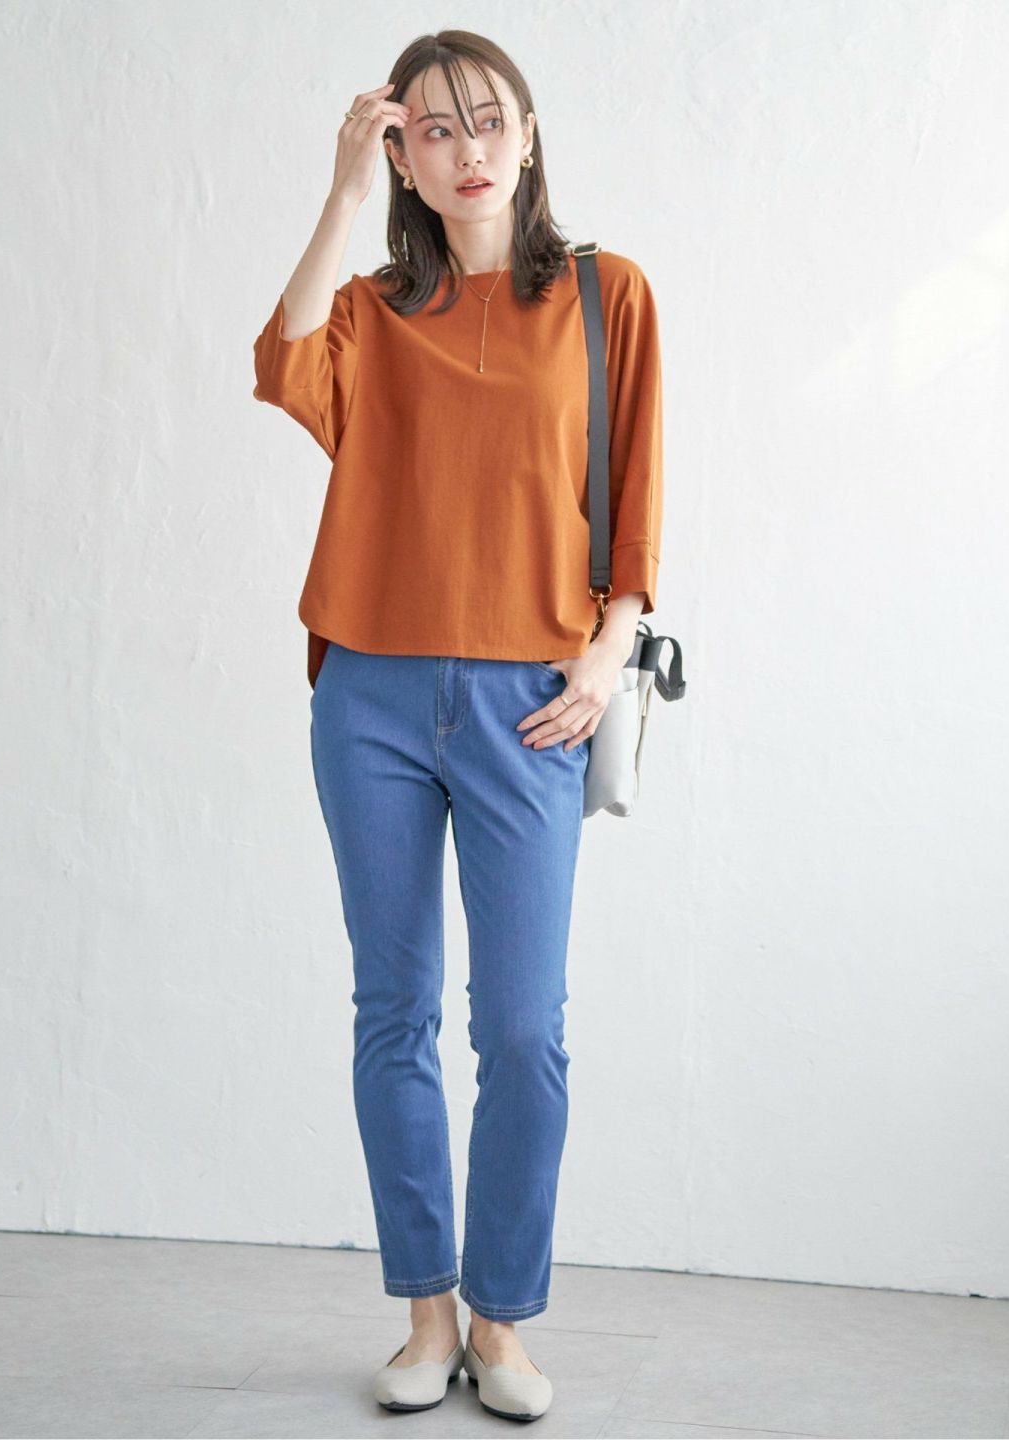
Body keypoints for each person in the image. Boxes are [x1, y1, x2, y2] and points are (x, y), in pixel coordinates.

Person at [252, 29, 663, 1423]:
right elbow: (283, 361)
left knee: (525, 1030)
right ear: (403, 159)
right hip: (370, 691)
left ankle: (503, 1321)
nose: (466, 148)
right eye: (430, 130)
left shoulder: (609, 296)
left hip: (529, 705)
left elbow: (639, 504)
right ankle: (427, 1317)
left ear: (529, 135)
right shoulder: (374, 313)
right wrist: (338, 193)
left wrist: (608, 653)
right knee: (395, 1011)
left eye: (487, 120)